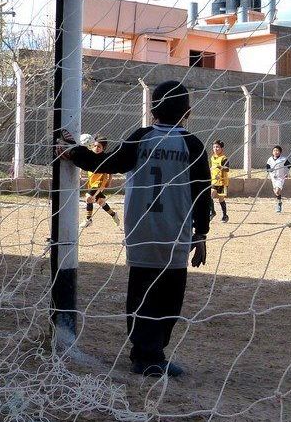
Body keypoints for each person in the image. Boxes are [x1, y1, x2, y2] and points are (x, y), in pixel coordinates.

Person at [58, 80, 210, 376]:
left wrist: (73, 152)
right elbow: (202, 193)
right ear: (188, 112)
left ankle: (144, 352)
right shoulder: (192, 145)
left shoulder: (141, 137)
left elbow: (106, 164)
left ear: (152, 109)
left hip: (140, 231)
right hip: (175, 234)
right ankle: (152, 354)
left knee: (140, 293)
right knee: (169, 298)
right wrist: (201, 233)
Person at [79, 135, 121, 230]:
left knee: (89, 197)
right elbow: (84, 164)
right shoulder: (90, 155)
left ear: (103, 148)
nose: (96, 148)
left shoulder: (104, 158)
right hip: (92, 181)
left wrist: (109, 181)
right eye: (95, 146)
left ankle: (88, 220)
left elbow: (110, 171)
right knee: (100, 201)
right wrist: (81, 171)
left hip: (100, 182)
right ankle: (113, 215)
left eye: (99, 147)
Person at [266, 145, 291, 213]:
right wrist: (269, 170)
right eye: (274, 150)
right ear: (272, 152)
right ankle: (279, 201)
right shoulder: (270, 159)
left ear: (280, 152)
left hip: (280, 177)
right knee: (276, 192)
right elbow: (267, 167)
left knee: (277, 191)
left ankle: (278, 204)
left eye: (277, 151)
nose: (276, 152)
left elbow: (289, 166)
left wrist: (286, 173)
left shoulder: (283, 159)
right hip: (273, 177)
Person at [209, 140, 230, 223]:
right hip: (214, 181)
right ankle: (212, 212)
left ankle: (225, 215)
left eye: (217, 147)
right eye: (214, 147)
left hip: (222, 182)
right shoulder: (212, 157)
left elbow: (227, 169)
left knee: (221, 199)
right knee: (210, 196)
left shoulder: (224, 158)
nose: (215, 149)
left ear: (221, 148)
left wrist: (219, 166)